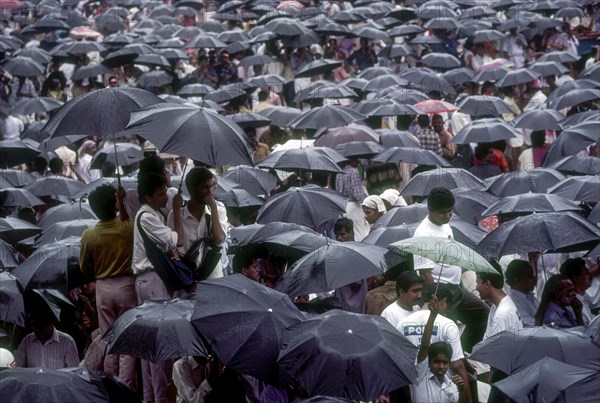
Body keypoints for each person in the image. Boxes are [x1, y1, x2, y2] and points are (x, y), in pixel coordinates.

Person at [413, 187, 489, 352]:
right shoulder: (423, 234)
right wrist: (436, 302)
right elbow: (425, 274)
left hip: (457, 287)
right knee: (447, 333)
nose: (448, 216)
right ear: (430, 210)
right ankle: (455, 360)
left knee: (483, 313)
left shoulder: (446, 226)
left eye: (450, 211)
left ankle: (465, 352)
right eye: (442, 212)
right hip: (441, 291)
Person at [133, 172, 185, 403]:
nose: (165, 196)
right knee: (157, 349)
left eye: (166, 191)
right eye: (161, 193)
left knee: (149, 348)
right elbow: (179, 240)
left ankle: (151, 398)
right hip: (152, 281)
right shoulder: (147, 217)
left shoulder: (151, 215)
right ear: (148, 196)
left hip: (150, 281)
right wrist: (177, 211)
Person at [79, 184, 137, 388]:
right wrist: (121, 201)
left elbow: (84, 266)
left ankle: (112, 389)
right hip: (126, 286)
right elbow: (126, 218)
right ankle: (127, 387)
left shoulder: (89, 235)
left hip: (102, 288)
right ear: (113, 205)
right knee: (127, 341)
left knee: (109, 340)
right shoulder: (127, 227)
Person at [398, 285, 472, 403]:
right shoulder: (448, 325)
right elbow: (457, 365)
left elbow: (401, 366)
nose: (441, 366)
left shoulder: (402, 324)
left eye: (444, 362)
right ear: (443, 301)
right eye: (447, 306)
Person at [168, 167, 228, 280]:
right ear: (192, 189)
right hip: (187, 279)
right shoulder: (175, 214)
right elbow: (171, 249)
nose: (210, 192)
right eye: (204, 187)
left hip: (213, 277)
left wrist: (213, 208)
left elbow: (219, 239)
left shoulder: (219, 211)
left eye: (211, 186)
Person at [412, 296, 462, 403]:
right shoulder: (420, 376)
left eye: (445, 362)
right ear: (428, 363)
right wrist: (433, 316)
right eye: (437, 362)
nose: (441, 366)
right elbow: (425, 344)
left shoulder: (451, 386)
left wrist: (461, 389)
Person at [15, 312, 79, 369]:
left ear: (51, 323)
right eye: (35, 326)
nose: (38, 330)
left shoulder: (67, 342)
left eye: (42, 326)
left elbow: (74, 371)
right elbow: (19, 367)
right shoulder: (27, 340)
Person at [332, 218, 368, 313]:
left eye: (342, 234)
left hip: (354, 304)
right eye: (337, 235)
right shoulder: (341, 252)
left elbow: (356, 281)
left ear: (351, 233)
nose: (339, 238)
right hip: (342, 301)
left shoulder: (356, 251)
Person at [476, 270, 523, 340]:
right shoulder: (496, 306)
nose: (476, 287)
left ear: (487, 284)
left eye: (478, 283)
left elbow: (493, 347)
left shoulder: (502, 314)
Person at [335, 158, 369, 241]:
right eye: (357, 160)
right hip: (354, 205)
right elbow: (358, 195)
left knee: (349, 232)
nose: (359, 162)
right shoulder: (354, 172)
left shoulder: (339, 173)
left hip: (344, 206)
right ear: (350, 160)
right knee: (359, 232)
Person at [505, 259, 539, 327]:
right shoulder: (513, 302)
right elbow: (533, 325)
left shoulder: (531, 296)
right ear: (517, 280)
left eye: (533, 275)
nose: (534, 278)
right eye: (529, 276)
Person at [560, 258, 594, 325]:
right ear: (576, 278)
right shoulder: (573, 306)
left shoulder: (581, 299)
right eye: (586, 272)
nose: (590, 274)